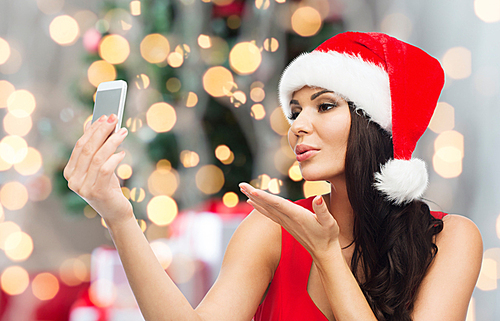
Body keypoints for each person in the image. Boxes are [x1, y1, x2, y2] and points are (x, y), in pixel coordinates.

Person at [64, 31, 482, 321]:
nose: (297, 125)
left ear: (375, 122)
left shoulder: (450, 240)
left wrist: (325, 255)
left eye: (324, 106)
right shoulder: (271, 229)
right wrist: (118, 216)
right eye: (295, 110)